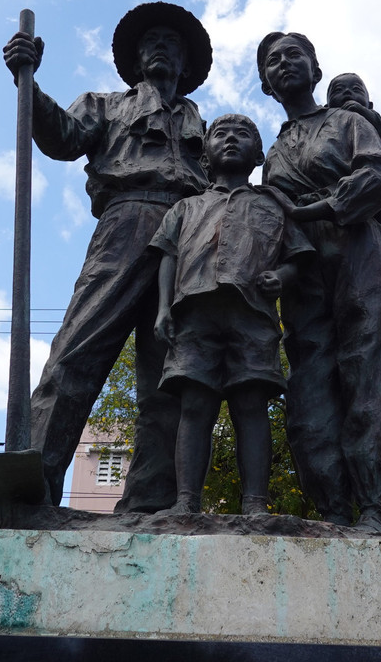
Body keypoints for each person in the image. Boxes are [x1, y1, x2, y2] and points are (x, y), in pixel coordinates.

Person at [2, 2, 213, 512]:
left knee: (172, 374)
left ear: (185, 64)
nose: (160, 46)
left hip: (191, 233)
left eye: (172, 42)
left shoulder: (201, 124)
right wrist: (26, 82)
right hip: (127, 219)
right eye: (151, 41)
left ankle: (151, 500)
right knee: (78, 350)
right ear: (137, 59)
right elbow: (62, 137)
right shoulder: (106, 104)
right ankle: (36, 476)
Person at [257, 32, 381, 535]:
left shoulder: (346, 122)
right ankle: (333, 510)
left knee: (368, 376)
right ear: (265, 82)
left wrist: (313, 207)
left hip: (360, 251)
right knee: (309, 394)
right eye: (272, 61)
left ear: (316, 69)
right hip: (304, 272)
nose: (284, 64)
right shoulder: (272, 154)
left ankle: (374, 506)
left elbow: (378, 180)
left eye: (294, 55)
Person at [149, 114, 313, 516]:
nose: (231, 140)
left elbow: (297, 257)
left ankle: (255, 504)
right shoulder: (186, 207)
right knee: (194, 406)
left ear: (258, 153)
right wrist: (163, 309)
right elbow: (167, 256)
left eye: (243, 135)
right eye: (220, 135)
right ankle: (185, 502)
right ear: (206, 152)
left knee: (251, 407)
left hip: (252, 316)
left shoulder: (273, 205)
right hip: (194, 316)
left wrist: (282, 276)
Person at [326, 72, 381, 227]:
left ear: (370, 105)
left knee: (379, 197)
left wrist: (361, 111)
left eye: (356, 90)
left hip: (370, 175)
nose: (348, 93)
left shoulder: (366, 117)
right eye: (338, 90)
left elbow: (380, 127)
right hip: (339, 178)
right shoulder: (326, 125)